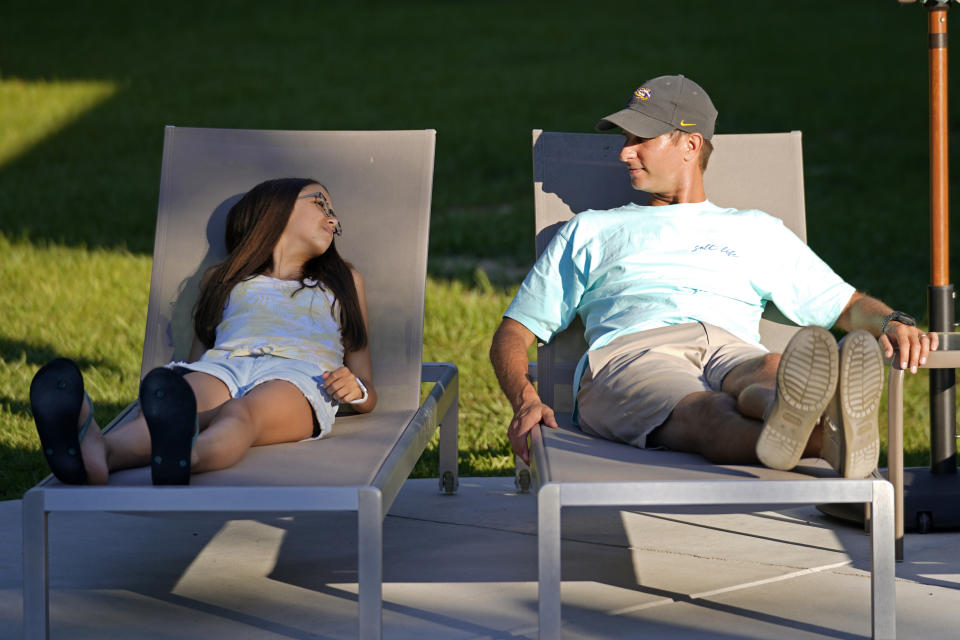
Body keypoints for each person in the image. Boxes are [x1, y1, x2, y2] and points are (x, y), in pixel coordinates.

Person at [490, 74, 932, 479]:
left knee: (774, 369)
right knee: (711, 413)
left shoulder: (754, 229)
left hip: (730, 347)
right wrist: (525, 399)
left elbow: (849, 305)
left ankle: (797, 414)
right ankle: (831, 441)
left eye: (641, 138)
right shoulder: (590, 230)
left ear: (690, 145)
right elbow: (513, 332)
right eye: (626, 138)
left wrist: (893, 323)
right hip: (633, 355)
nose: (625, 151)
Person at [30, 177, 377, 485]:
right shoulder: (224, 278)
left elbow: (366, 386)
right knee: (178, 402)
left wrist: (356, 390)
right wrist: (187, 386)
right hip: (222, 366)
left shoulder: (344, 280)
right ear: (274, 211)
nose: (333, 216)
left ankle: (185, 456)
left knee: (240, 414)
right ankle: (99, 454)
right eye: (320, 203)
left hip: (299, 375)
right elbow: (200, 357)